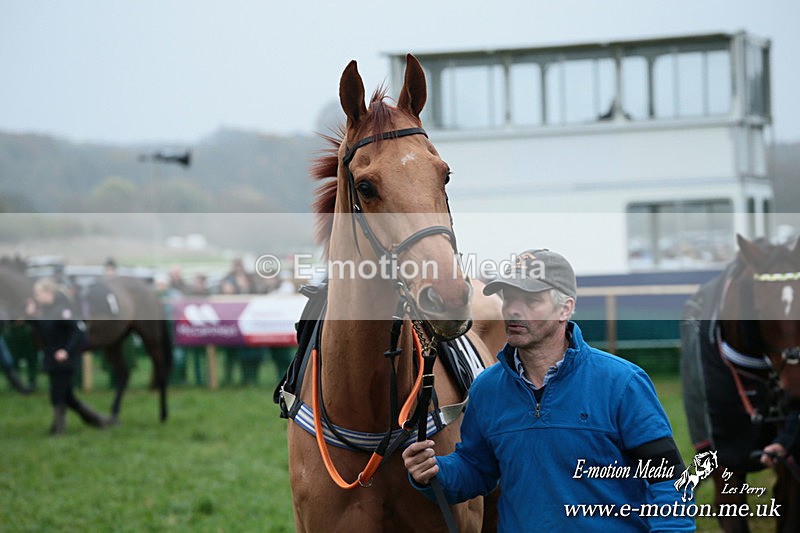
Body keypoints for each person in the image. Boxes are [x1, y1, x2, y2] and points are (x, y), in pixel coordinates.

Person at [403, 249, 694, 531]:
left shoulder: (623, 383)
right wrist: (435, 472)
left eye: (530, 299)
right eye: (509, 297)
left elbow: (668, 480)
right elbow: (477, 469)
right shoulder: (487, 389)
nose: (513, 309)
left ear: (565, 308)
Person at [27, 278, 110, 435]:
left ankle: (59, 428)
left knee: (58, 394)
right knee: (68, 397)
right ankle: (98, 420)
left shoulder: (63, 310)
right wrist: (32, 317)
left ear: (48, 292)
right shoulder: (47, 310)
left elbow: (77, 331)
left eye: (38, 293)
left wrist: (66, 350)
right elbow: (45, 331)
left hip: (65, 361)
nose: (36, 297)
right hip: (53, 360)